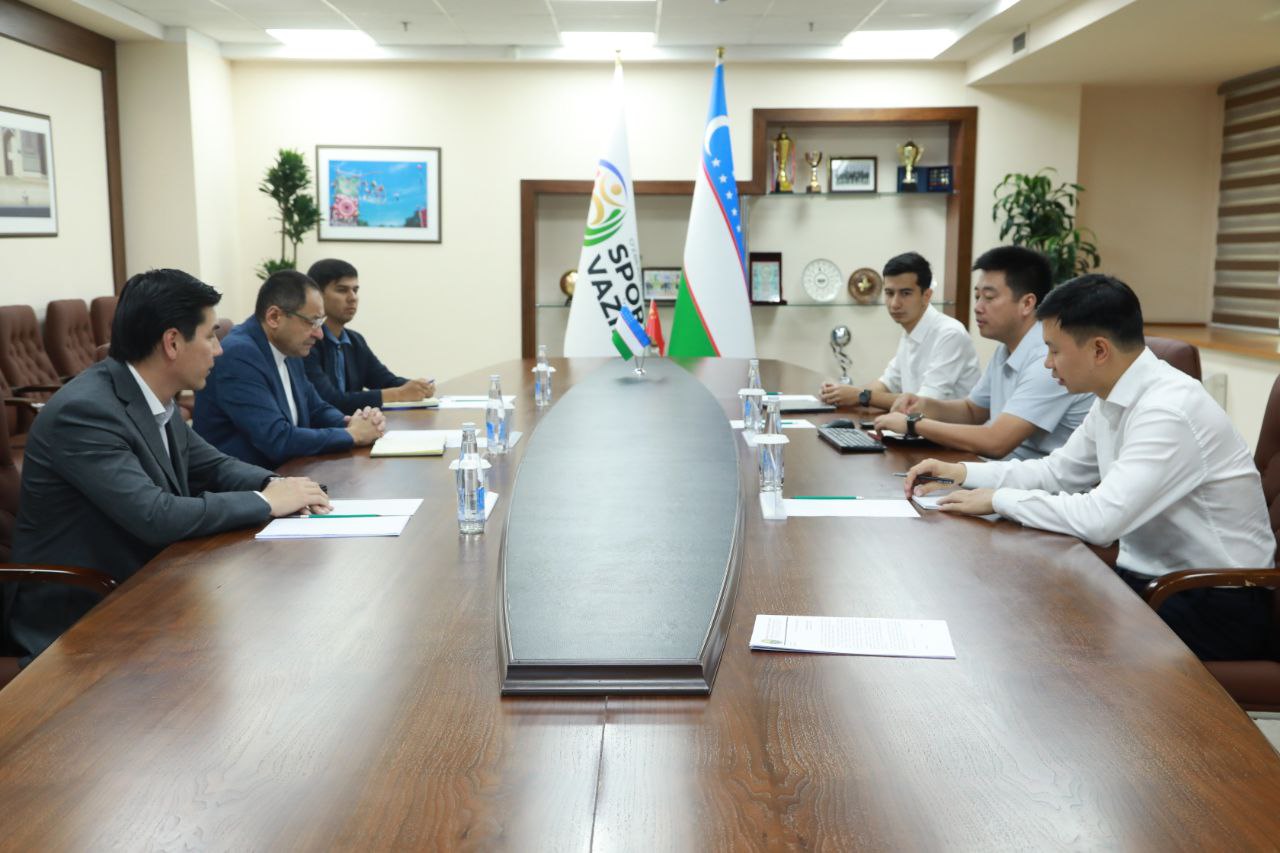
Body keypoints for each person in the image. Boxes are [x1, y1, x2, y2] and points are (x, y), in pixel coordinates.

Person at [905, 274, 1275, 660]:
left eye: (1054, 350)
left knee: (1044, 643)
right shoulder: (1113, 397)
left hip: (1216, 601)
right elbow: (1057, 473)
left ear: (1099, 349)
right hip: (1156, 583)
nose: (1047, 363)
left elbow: (1101, 520)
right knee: (1015, 609)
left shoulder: (1168, 410)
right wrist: (963, 473)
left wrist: (998, 500)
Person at [8, 269, 330, 662]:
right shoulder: (85, 412)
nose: (219, 350)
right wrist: (267, 502)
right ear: (172, 342)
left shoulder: (151, 395)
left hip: (148, 585)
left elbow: (213, 465)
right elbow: (156, 515)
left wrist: (281, 485)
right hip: (81, 616)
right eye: (210, 336)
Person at [874, 246, 1093, 460]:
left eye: (988, 297)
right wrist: (924, 405)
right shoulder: (1006, 348)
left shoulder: (1046, 359)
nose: (977, 307)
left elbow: (996, 442)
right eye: (977, 296)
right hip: (1001, 470)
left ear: (1027, 303)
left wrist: (914, 424)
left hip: (1035, 480)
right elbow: (972, 411)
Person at [194, 270, 385, 468]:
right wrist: (352, 435)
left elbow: (316, 408)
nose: (319, 334)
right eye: (312, 322)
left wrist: (350, 422)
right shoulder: (239, 355)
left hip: (287, 471)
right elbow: (277, 439)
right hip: (245, 480)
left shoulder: (288, 346)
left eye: (320, 322)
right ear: (274, 317)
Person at [819, 252, 980, 410]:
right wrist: (841, 394)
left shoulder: (950, 334)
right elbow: (887, 383)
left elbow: (923, 403)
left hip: (948, 427)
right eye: (889, 293)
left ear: (926, 296)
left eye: (905, 293)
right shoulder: (910, 330)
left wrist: (861, 396)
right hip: (918, 425)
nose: (894, 304)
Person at [303, 258, 435, 415]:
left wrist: (418, 387)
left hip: (355, 426)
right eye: (342, 290)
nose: (352, 298)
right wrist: (399, 394)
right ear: (317, 295)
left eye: (355, 290)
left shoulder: (355, 340)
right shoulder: (307, 342)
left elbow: (385, 381)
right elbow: (330, 399)